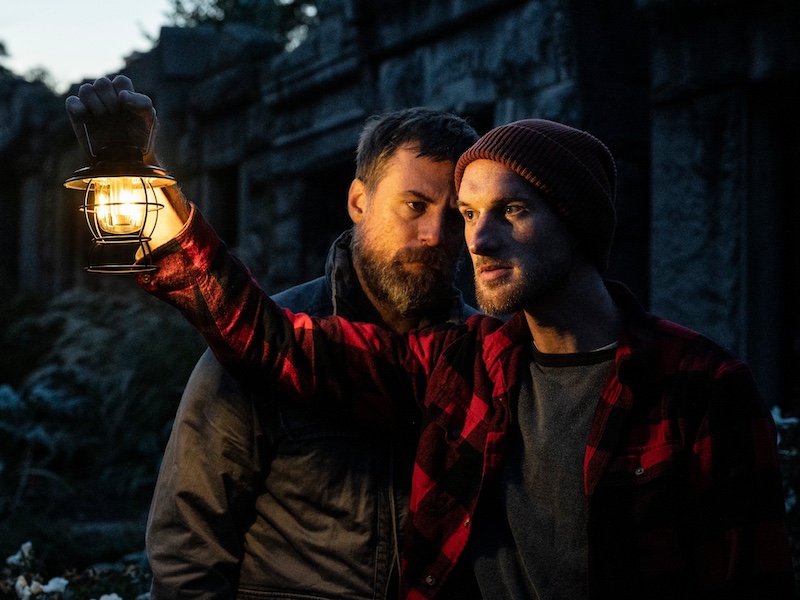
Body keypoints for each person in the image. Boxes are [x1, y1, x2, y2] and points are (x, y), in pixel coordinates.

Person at [67, 78, 796, 599]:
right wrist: (138, 182)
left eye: (506, 211)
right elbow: (266, 339)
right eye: (459, 209)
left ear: (576, 222)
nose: (467, 235)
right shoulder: (469, 364)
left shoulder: (700, 385)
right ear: (358, 201)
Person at [66, 76, 479, 599]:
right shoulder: (263, 345)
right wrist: (137, 176)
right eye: (414, 205)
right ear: (358, 201)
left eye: (458, 216)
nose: (435, 236)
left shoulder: (484, 357)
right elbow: (187, 552)